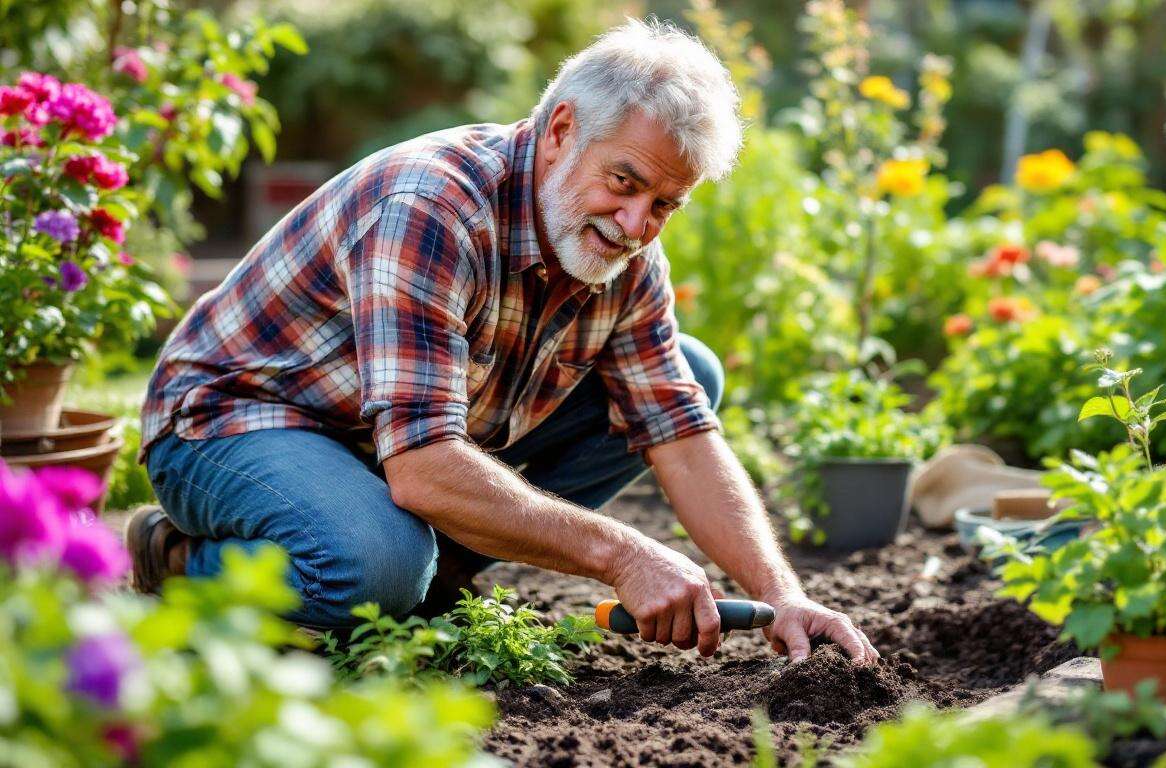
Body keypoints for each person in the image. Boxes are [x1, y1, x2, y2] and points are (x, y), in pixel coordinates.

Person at [128, 18, 878, 665]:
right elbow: (424, 470)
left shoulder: (629, 254)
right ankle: (183, 560)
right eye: (624, 182)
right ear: (559, 132)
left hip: (383, 441)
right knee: (375, 567)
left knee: (692, 375)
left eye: (665, 205)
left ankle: (427, 577)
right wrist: (624, 553)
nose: (635, 224)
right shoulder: (432, 207)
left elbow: (678, 432)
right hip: (237, 420)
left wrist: (784, 596)